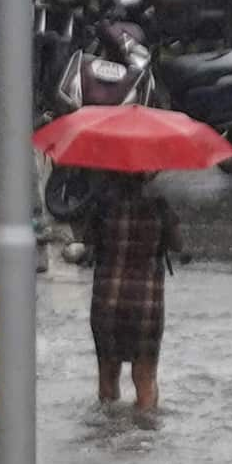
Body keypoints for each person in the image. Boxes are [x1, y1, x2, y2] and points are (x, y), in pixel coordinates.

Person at [77, 165, 172, 424]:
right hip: (146, 305)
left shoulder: (102, 205)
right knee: (145, 376)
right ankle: (144, 435)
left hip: (107, 301)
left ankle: (107, 432)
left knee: (107, 374)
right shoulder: (159, 205)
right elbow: (177, 245)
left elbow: (88, 241)